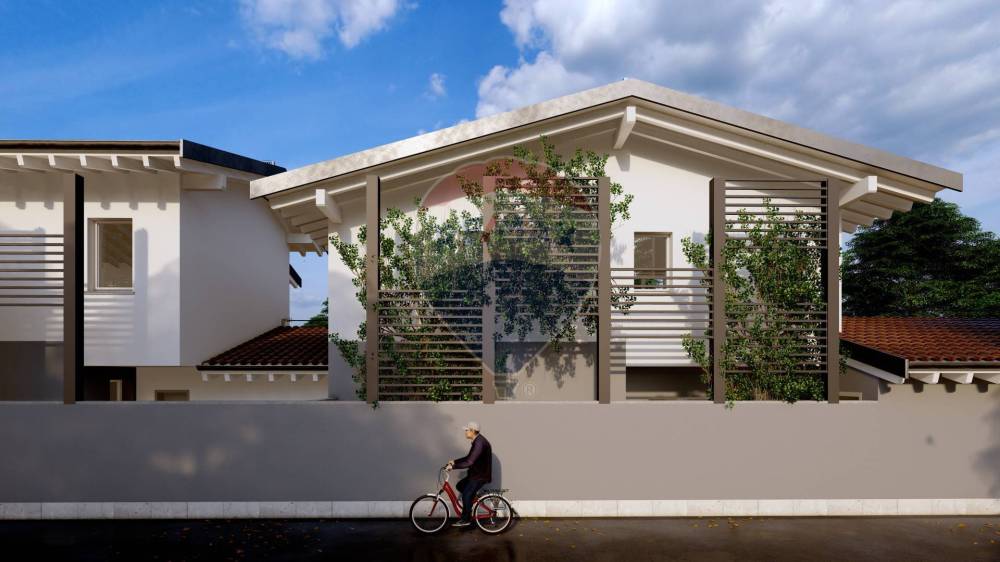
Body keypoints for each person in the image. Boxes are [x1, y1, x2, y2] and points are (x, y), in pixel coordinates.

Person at [445, 421, 492, 527]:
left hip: (479, 476)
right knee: (460, 486)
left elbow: (469, 462)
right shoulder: (477, 441)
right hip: (475, 474)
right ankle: (470, 502)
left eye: (467, 430)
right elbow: (468, 457)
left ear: (472, 431)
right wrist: (454, 461)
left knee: (466, 494)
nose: (465, 432)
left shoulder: (479, 443)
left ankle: (466, 519)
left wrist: (453, 467)